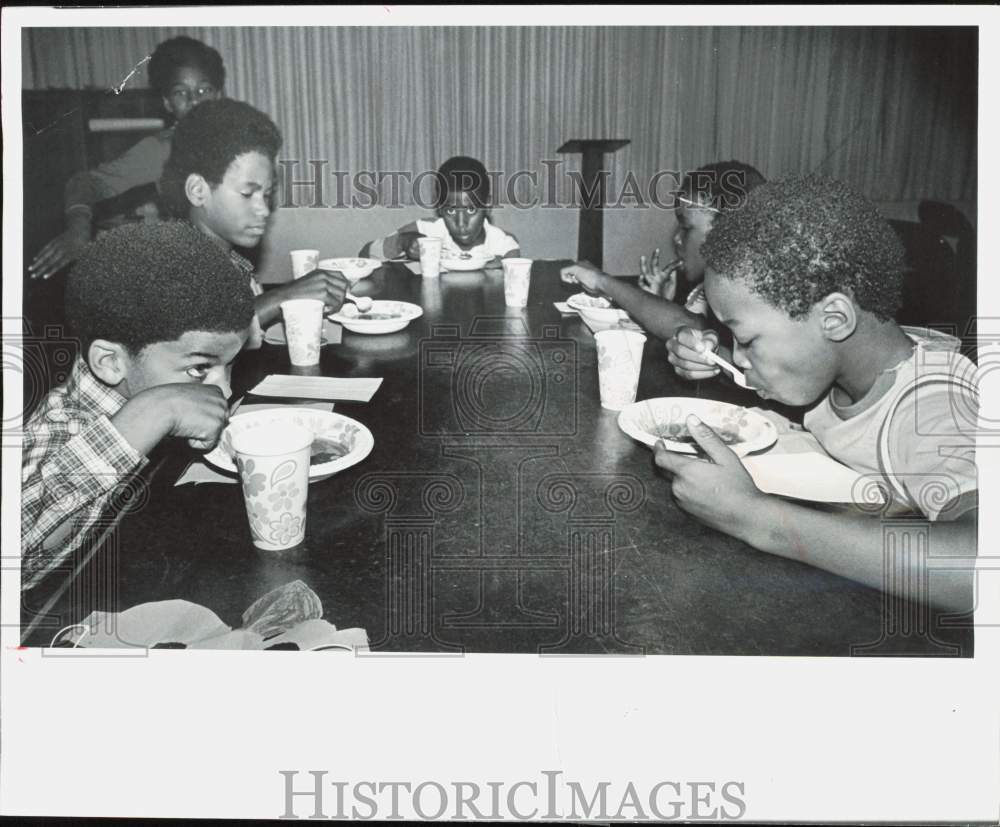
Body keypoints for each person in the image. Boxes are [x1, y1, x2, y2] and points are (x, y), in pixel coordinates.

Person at [656, 177, 978, 612]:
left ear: (834, 318)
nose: (740, 357)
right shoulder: (831, 368)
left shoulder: (933, 407)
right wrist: (702, 350)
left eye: (747, 341)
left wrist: (756, 517)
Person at [21, 222, 256, 591]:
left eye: (229, 365)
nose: (224, 390)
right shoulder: (60, 426)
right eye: (200, 368)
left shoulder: (146, 376)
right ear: (111, 363)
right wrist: (156, 411)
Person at [29, 36, 226, 281]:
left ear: (218, 95)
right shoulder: (159, 150)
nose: (194, 100)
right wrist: (78, 230)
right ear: (167, 103)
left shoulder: (239, 142)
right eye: (180, 93)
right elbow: (84, 184)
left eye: (203, 90)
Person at [158, 98, 348, 333]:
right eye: (248, 194)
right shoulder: (170, 265)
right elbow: (200, 336)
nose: (264, 210)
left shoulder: (234, 261)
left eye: (267, 194)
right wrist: (286, 296)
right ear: (198, 191)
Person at [560, 161, 765, 343]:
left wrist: (600, 280)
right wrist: (660, 304)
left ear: (726, 232)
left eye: (686, 228)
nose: (676, 238)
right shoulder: (700, 290)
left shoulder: (752, 292)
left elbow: (691, 328)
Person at [361, 156, 520, 266]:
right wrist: (403, 242)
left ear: (487, 205)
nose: (461, 223)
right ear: (440, 208)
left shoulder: (503, 245)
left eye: (471, 210)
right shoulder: (427, 230)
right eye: (451, 211)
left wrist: (500, 269)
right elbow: (365, 255)